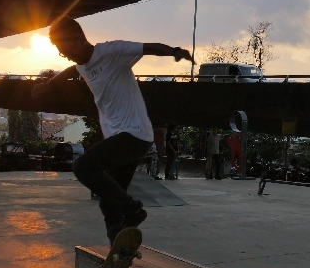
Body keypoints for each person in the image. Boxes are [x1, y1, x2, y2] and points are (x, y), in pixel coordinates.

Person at [32, 16, 193, 244]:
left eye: (65, 48)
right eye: (60, 52)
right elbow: (71, 69)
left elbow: (147, 48)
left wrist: (175, 51)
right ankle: (117, 253)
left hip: (135, 135)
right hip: (119, 138)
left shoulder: (113, 51)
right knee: (109, 202)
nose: (66, 55)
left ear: (78, 37)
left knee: (83, 167)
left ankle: (133, 209)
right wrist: (48, 84)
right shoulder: (81, 63)